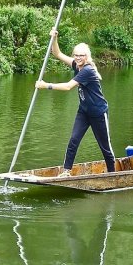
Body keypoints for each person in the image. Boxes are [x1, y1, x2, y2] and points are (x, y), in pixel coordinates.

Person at [36, 29, 115, 176]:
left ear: (87, 56)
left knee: (105, 147)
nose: (78, 58)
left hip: (98, 112)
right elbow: (57, 54)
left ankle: (113, 174)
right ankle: (66, 171)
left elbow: (67, 87)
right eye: (76, 55)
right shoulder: (76, 65)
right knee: (73, 140)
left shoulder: (88, 70)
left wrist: (46, 85)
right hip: (84, 112)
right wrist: (54, 38)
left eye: (81, 55)